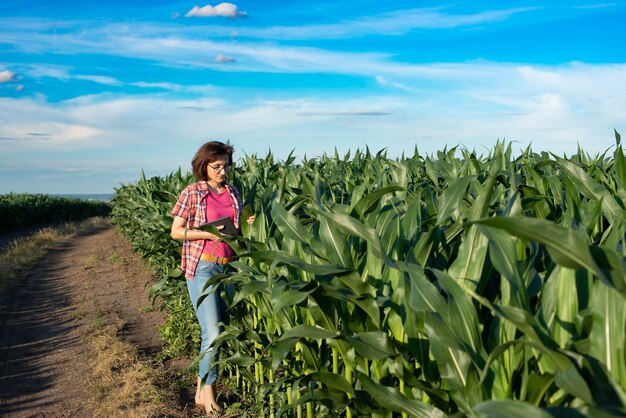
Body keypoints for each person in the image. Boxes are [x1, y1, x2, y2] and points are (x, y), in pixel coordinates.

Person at [170, 141, 254, 415]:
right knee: (214, 332)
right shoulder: (192, 193)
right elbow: (176, 231)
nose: (222, 171)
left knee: (218, 330)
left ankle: (198, 390)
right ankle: (210, 394)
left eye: (225, 166)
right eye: (216, 166)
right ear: (203, 166)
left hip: (229, 267)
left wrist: (250, 224)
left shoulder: (232, 192)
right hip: (203, 267)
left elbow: (237, 231)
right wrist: (208, 233)